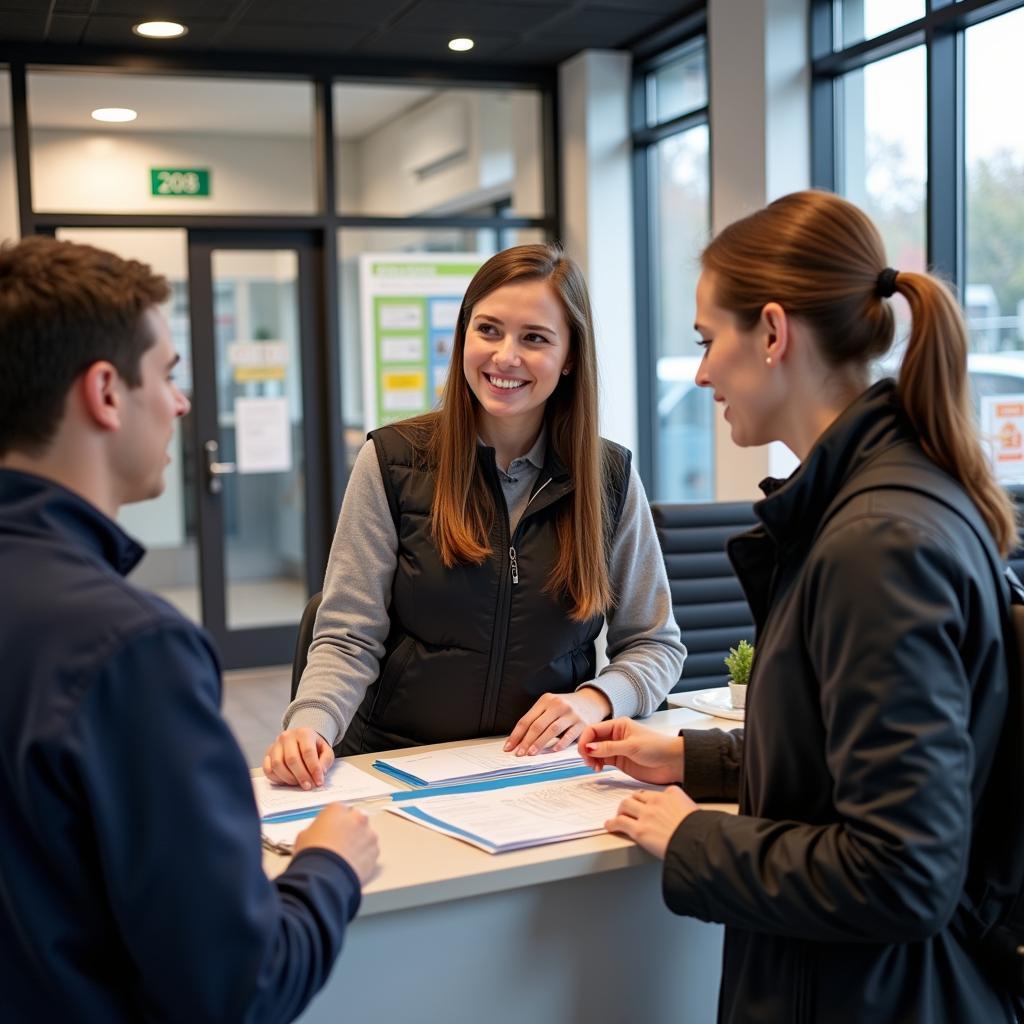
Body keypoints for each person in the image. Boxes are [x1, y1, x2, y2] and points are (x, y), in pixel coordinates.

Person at [580, 190, 1020, 1021]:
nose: (703, 372)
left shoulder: (875, 544)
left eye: (711, 341)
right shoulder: (892, 500)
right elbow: (864, 756)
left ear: (775, 333)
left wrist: (693, 839)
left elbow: (901, 870)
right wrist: (699, 762)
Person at [0, 236, 379, 1023]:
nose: (179, 403)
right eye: (168, 374)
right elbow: (238, 987)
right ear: (105, 391)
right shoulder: (129, 647)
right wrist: (328, 866)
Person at [265, 243, 685, 787]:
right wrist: (311, 726)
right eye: (488, 330)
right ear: (463, 336)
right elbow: (348, 635)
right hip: (398, 764)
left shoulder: (608, 477)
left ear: (571, 357)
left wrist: (598, 699)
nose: (505, 356)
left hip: (542, 771)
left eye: (534, 338)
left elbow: (655, 642)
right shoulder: (394, 461)